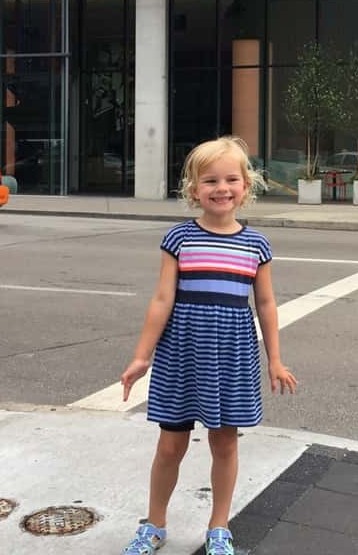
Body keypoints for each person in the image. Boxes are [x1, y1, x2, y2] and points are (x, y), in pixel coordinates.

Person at [120, 136, 297, 555]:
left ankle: (219, 526)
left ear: (245, 187)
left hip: (233, 354)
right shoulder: (179, 238)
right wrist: (141, 356)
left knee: (225, 442)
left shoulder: (256, 245)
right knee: (170, 444)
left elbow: (267, 306)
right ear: (193, 189)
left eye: (231, 179)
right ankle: (154, 524)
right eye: (211, 180)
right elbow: (162, 299)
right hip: (182, 352)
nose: (222, 188)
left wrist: (275, 360)